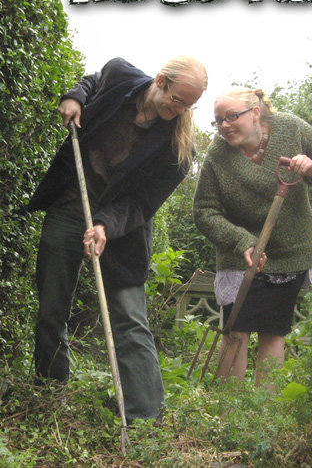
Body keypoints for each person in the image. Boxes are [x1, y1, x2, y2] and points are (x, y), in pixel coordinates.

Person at [28, 56, 207, 424]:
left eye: (190, 105)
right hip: (70, 207)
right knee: (51, 308)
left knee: (129, 319)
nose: (181, 111)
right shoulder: (120, 74)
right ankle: (49, 394)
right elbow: (93, 81)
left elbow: (142, 203)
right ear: (160, 81)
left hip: (123, 231)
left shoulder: (178, 150)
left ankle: (145, 418)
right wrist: (75, 96)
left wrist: (105, 225)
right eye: (178, 100)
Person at [193, 87, 312, 386]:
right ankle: (227, 408)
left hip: (290, 251)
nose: (224, 126)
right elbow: (204, 211)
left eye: (232, 117)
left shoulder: (290, 128)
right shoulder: (218, 155)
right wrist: (242, 241)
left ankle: (265, 409)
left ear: (255, 113)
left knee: (274, 332)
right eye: (218, 120)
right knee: (235, 331)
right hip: (241, 254)